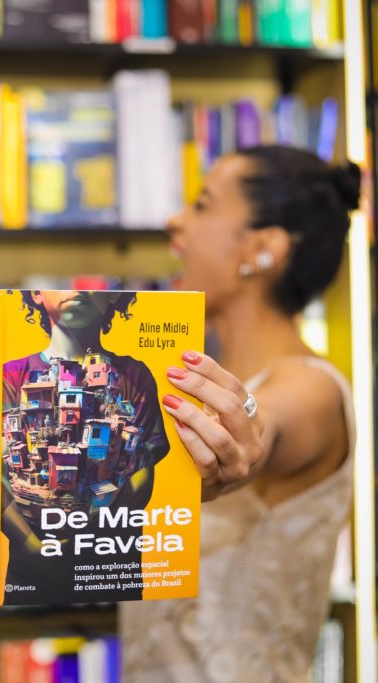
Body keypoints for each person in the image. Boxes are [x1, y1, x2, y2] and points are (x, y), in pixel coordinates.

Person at [122, 145, 359, 682]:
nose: (175, 220)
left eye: (202, 205)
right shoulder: (196, 384)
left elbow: (267, 425)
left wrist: (245, 439)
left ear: (262, 249)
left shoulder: (312, 388)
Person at [1, 290, 170, 604]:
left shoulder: (134, 376)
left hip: (111, 573)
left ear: (115, 297)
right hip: (28, 581)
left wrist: (92, 538)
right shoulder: (9, 375)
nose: (77, 288)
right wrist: (31, 546)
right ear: (36, 293)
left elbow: (141, 473)